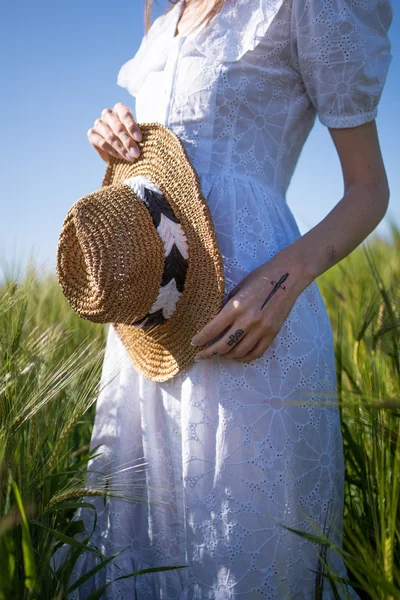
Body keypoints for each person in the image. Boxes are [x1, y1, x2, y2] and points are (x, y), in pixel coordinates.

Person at [60, 0, 393, 597]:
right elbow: (170, 168)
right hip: (153, 321)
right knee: (145, 552)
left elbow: (368, 189)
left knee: (242, 553)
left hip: (254, 311)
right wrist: (116, 144)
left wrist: (283, 278)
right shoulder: (162, 25)